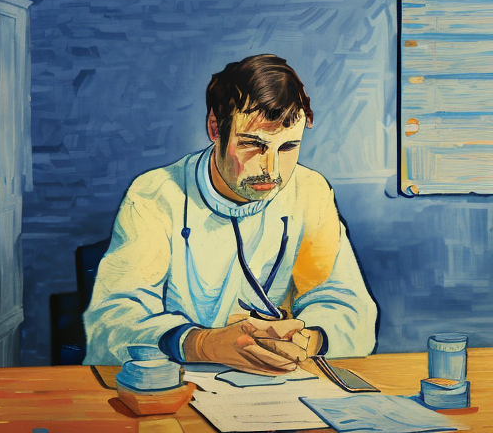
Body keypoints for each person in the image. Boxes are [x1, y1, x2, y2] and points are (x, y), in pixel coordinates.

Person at [83, 54, 377, 374]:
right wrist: (203, 344)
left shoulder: (310, 192)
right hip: (177, 380)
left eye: (288, 148)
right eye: (252, 144)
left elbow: (347, 305)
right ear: (215, 127)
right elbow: (112, 322)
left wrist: (306, 340)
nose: (271, 170)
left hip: (282, 379)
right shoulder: (155, 194)